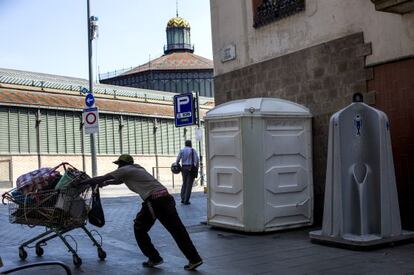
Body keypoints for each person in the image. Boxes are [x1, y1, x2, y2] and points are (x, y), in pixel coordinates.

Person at [80, 154, 203, 271]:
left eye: (119, 164)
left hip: (154, 202)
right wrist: (107, 183)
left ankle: (154, 258)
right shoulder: (137, 168)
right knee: (178, 230)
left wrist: (82, 182)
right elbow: (121, 180)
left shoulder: (125, 169)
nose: (118, 167)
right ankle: (194, 259)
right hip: (165, 198)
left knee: (139, 228)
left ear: (123, 164)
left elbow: (103, 177)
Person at [176, 140, 199, 205]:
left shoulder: (182, 150)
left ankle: (182, 198)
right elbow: (196, 160)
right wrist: (196, 169)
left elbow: (177, 160)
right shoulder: (192, 150)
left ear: (185, 144)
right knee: (189, 185)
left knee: (184, 183)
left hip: (183, 168)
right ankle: (186, 200)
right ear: (190, 144)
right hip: (190, 168)